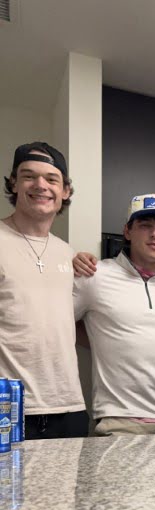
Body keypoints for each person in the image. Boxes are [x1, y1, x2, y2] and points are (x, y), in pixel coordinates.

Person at [73, 194, 155, 435]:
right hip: (119, 421)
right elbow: (59, 323)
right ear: (127, 231)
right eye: (145, 225)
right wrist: (101, 340)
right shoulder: (95, 276)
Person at [0, 141, 88, 439]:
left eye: (52, 179)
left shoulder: (68, 254)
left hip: (68, 406)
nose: (41, 185)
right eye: (28, 176)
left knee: (63, 489)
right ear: (14, 183)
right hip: (7, 407)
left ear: (65, 191)